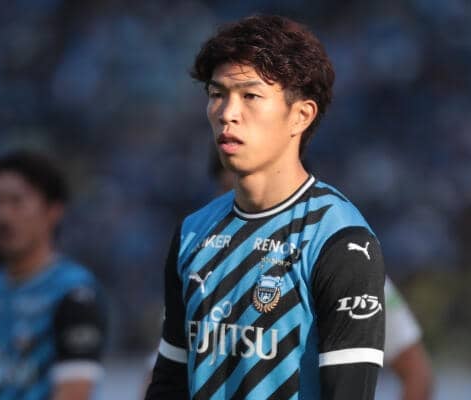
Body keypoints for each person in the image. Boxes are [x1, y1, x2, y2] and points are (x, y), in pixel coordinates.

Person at [146, 14, 386, 400]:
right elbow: (169, 385)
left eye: (250, 96)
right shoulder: (193, 232)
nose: (227, 113)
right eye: (217, 94)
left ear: (301, 116)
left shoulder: (340, 241)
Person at [212, 151, 433, 399]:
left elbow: (416, 373)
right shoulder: (200, 265)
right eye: (230, 189)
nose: (242, 200)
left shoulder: (347, 265)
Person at [0, 150, 108, 399]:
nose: (2, 215)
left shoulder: (74, 294)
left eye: (16, 202)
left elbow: (74, 392)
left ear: (53, 211)